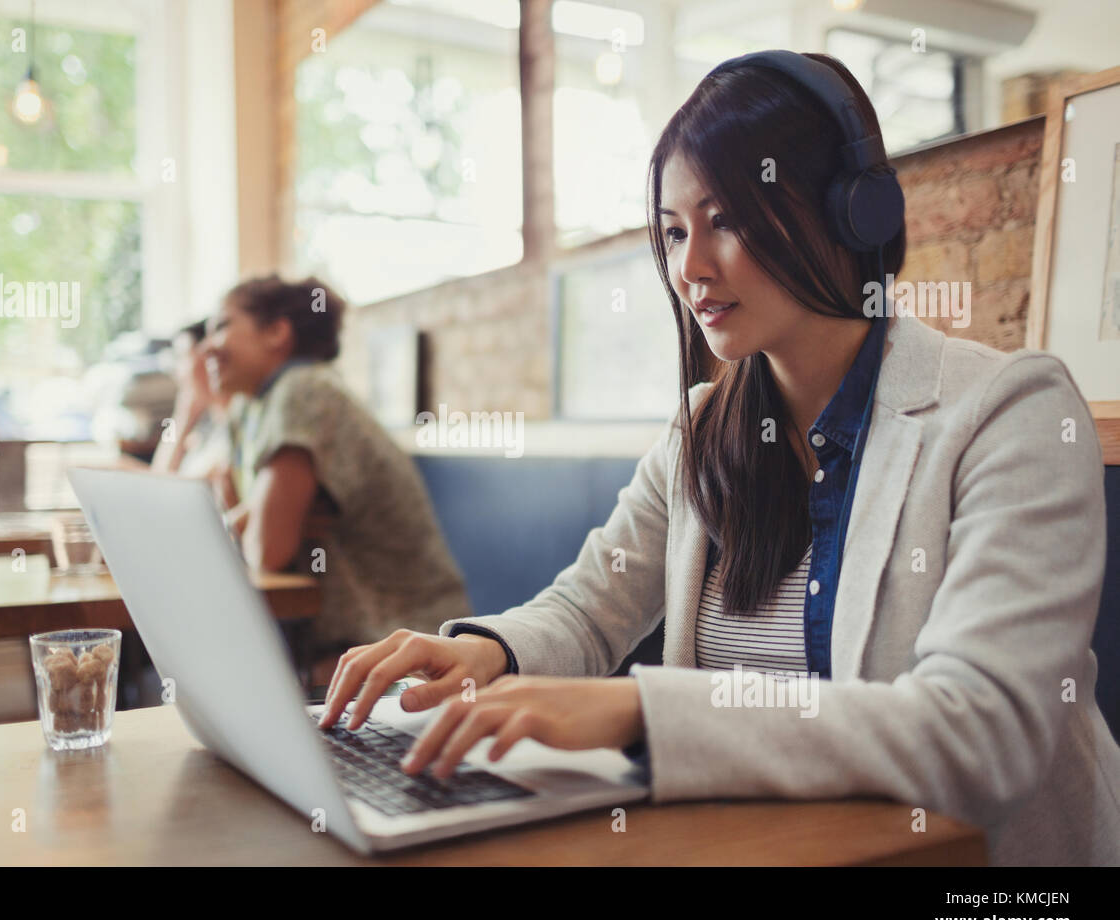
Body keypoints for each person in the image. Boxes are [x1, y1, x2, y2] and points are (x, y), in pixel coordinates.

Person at [318, 51, 1120, 866]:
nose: (690, 269)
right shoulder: (704, 428)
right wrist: (485, 652)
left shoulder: (1010, 413)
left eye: (725, 219)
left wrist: (641, 713)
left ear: (851, 214)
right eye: (672, 232)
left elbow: (982, 733)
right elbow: (591, 609)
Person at [203, 274, 471, 686]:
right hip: (342, 645)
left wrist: (258, 513)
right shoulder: (252, 406)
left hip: (409, 645)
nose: (208, 347)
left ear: (276, 332)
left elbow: (263, 551)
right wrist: (260, 509)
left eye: (222, 326)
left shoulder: (306, 390)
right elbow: (239, 515)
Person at [150, 318, 234, 480]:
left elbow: (160, 481)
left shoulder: (231, 424)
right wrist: (183, 416)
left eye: (181, 357)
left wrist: (183, 415)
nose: (176, 371)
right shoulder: (205, 424)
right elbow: (158, 471)